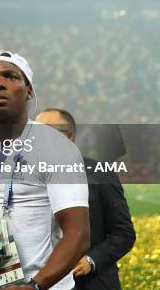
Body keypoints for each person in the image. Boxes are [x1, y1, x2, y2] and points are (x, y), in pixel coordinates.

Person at [0, 50, 90, 290]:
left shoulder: (57, 148)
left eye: (10, 76)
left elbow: (78, 234)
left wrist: (34, 287)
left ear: (29, 91)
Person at [35, 108, 136, 290]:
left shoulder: (99, 173)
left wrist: (92, 259)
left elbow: (123, 233)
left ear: (69, 136)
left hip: (91, 283)